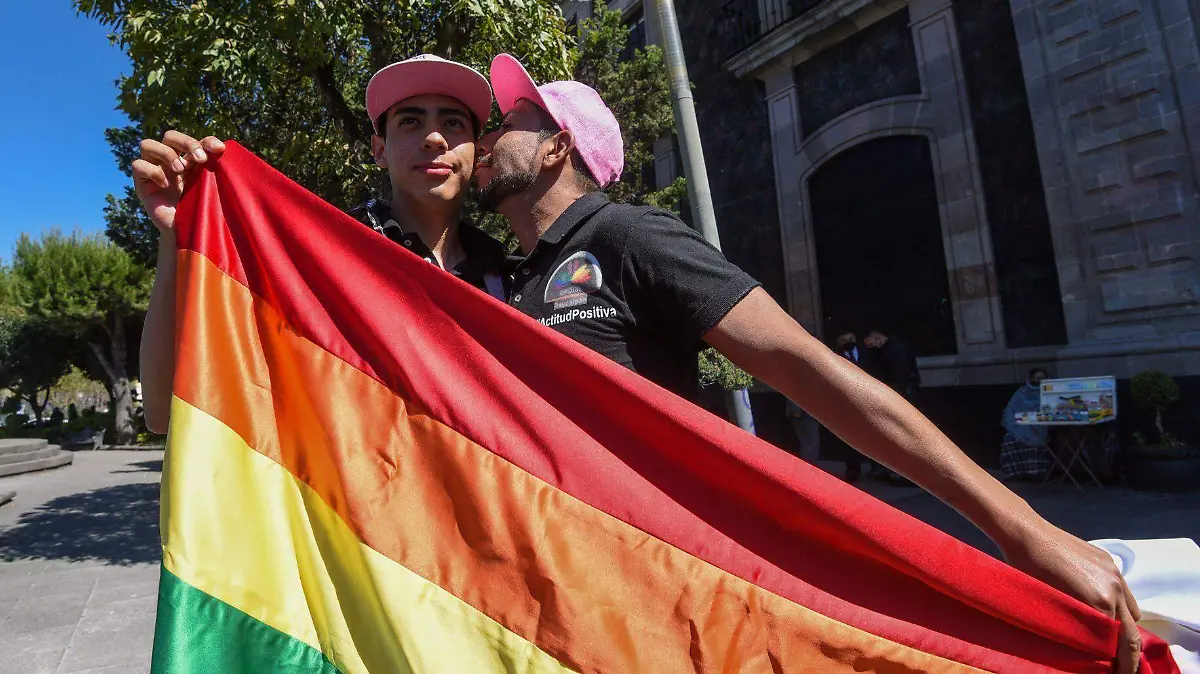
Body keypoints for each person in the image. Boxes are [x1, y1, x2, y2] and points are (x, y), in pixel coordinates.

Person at [474, 53, 1144, 669]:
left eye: (510, 123)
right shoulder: (518, 277)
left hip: (653, 594)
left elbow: (808, 370)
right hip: (559, 595)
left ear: (557, 146)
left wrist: (1025, 529)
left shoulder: (627, 235)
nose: (487, 138)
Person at [134, 55, 507, 433]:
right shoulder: (313, 259)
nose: (434, 138)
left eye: (454, 123)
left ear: (475, 151)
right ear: (379, 150)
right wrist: (177, 235)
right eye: (410, 121)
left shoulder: (510, 275)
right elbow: (164, 410)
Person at [1000, 367, 1053, 481]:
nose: (1039, 381)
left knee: (1037, 437)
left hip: (1039, 427)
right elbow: (1010, 412)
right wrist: (1018, 429)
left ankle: (1035, 474)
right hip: (1020, 427)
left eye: (1042, 378)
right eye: (1037, 378)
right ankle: (1015, 474)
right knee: (1009, 438)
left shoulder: (1049, 393)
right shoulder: (1021, 393)